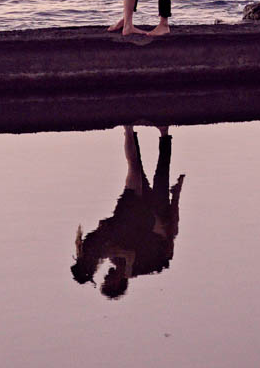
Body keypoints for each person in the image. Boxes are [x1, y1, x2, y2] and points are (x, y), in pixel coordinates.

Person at [72, 125, 184, 299]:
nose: (105, 278)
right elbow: (153, 248)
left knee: (138, 171)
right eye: (107, 282)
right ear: (118, 284)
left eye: (103, 281)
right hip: (156, 222)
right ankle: (160, 132)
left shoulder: (115, 260)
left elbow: (109, 229)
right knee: (158, 176)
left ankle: (134, 130)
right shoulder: (130, 269)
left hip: (140, 215)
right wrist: (176, 197)